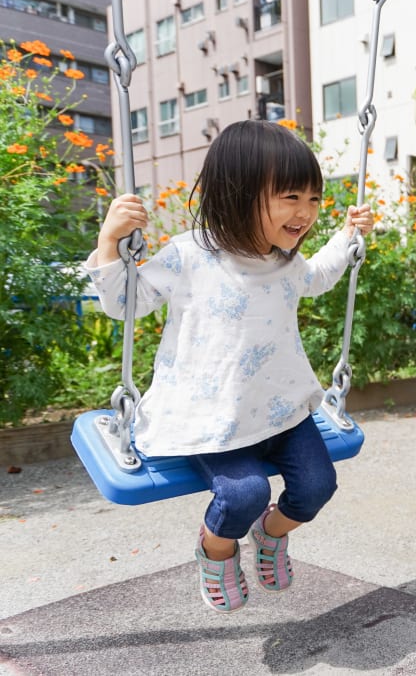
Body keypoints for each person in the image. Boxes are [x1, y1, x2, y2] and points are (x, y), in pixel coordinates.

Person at [83, 120, 374, 612]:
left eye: (313, 199)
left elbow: (321, 274)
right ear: (238, 194)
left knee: (318, 486)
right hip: (212, 414)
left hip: (282, 408)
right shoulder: (189, 255)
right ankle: (216, 552)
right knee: (243, 493)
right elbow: (125, 303)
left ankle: (270, 534)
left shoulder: (285, 261)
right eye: (290, 197)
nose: (305, 213)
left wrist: (348, 235)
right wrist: (111, 242)